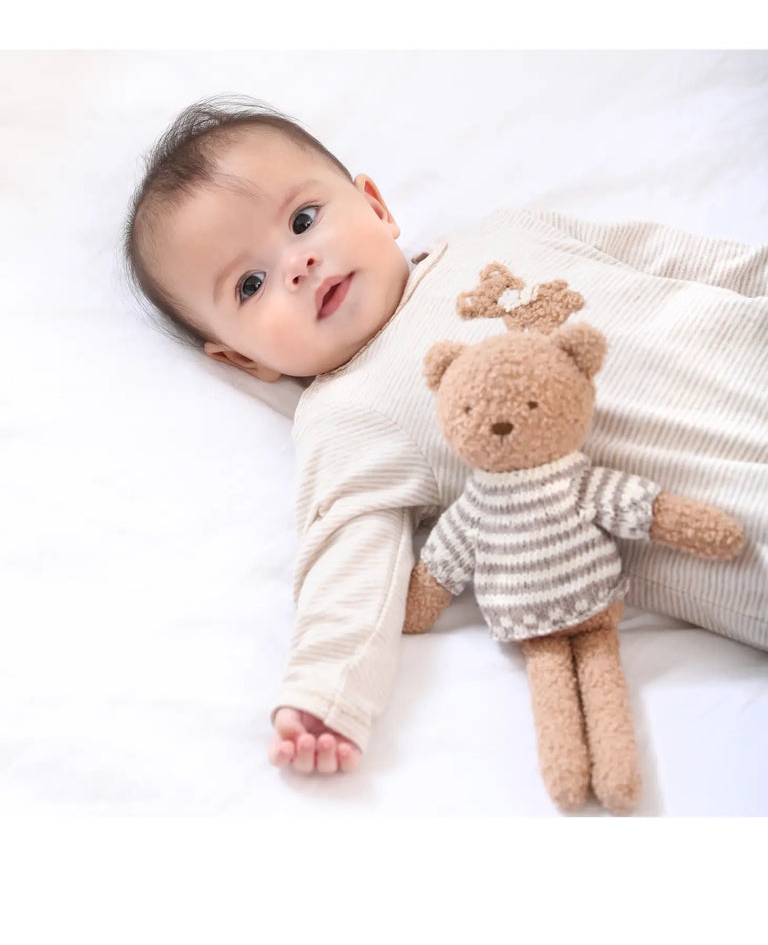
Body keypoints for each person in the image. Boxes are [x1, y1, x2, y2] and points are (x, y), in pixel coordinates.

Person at [124, 97, 768, 776]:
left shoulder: (507, 233)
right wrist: (323, 695)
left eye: (303, 220)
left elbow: (670, 257)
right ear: (245, 359)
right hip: (735, 513)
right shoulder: (347, 412)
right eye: (251, 284)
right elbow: (345, 561)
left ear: (374, 206)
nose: (298, 265)